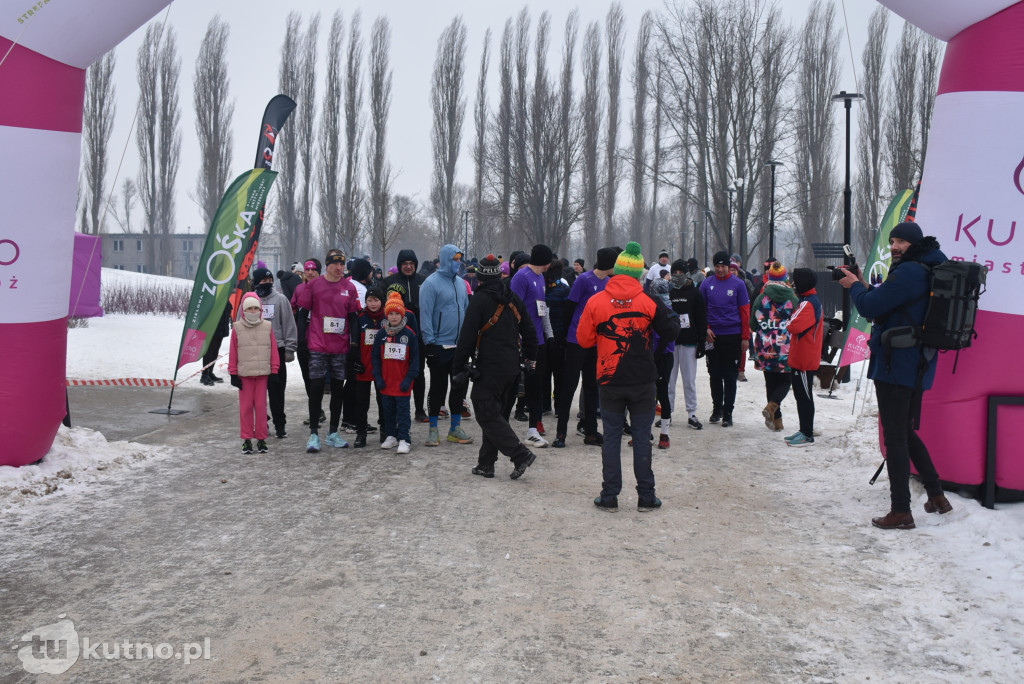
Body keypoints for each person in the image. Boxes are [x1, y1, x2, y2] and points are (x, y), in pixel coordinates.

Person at [838, 222, 953, 529]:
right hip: (916, 364)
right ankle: (937, 495)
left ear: (914, 244)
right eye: (892, 241)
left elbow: (870, 307)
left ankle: (901, 511)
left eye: (901, 241)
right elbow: (891, 304)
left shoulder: (910, 272)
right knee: (904, 432)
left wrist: (855, 287)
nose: (894, 246)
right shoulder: (926, 268)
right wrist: (863, 282)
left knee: (895, 439)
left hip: (897, 365)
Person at [577, 242, 679, 513]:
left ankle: (610, 496)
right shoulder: (649, 301)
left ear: (616, 270)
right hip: (642, 379)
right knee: (642, 435)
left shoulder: (596, 301)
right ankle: (646, 496)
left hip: (610, 379)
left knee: (611, 436)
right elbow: (670, 331)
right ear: (638, 274)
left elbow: (584, 340)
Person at [453, 254, 540, 480]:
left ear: (480, 277)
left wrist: (458, 367)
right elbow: (530, 331)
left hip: (489, 368)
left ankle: (520, 455)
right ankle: (486, 464)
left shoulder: (479, 301)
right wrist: (531, 359)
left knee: (486, 413)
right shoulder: (512, 299)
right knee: (496, 415)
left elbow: (467, 338)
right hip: (513, 367)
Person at [291, 251, 361, 453]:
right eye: (336, 265)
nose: (340, 268)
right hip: (318, 346)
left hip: (340, 347)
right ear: (328, 265)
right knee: (316, 388)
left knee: (338, 390)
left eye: (343, 265)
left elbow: (354, 318)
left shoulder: (349, 287)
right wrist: (302, 341)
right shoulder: (314, 285)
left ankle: (333, 433)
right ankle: (314, 434)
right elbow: (303, 312)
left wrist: (354, 344)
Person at [553, 247, 617, 447]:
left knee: (591, 387)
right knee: (569, 386)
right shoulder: (583, 280)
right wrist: (564, 337)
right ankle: (561, 433)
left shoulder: (609, 283)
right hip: (576, 341)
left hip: (596, 343)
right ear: (611, 264)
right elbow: (569, 308)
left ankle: (591, 432)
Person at [419, 243, 472, 446]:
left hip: (459, 346)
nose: (458, 263)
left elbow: (466, 312)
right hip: (439, 345)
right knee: (438, 388)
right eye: (454, 259)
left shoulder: (461, 283)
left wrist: (467, 340)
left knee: (459, 387)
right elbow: (425, 315)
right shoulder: (430, 284)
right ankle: (433, 429)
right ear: (444, 259)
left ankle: (455, 428)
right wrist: (429, 343)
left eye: (460, 259)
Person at [511, 244, 555, 446]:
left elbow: (542, 308)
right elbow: (513, 309)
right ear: (545, 261)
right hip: (522, 341)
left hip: (538, 341)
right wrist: (517, 337)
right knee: (515, 387)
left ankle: (532, 430)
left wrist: (549, 334)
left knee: (537, 387)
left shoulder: (541, 278)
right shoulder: (521, 277)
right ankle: (502, 428)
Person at [700, 250, 751, 427]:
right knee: (714, 375)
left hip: (732, 335)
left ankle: (728, 412)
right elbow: (701, 310)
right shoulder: (706, 284)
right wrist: (706, 329)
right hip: (712, 337)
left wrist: (745, 337)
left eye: (723, 266)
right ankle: (717, 409)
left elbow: (745, 312)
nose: (720, 269)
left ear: (729, 267)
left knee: (730, 376)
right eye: (717, 266)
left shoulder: (738, 285)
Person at [228, 293, 280, 455]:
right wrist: (233, 373)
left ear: (260, 309)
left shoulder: (267, 326)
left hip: (262, 374)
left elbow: (273, 350)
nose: (253, 311)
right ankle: (247, 439)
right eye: (249, 308)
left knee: (261, 406)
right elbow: (233, 352)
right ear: (244, 310)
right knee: (246, 408)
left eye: (255, 308)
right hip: (244, 375)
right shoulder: (237, 328)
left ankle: (262, 438)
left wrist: (275, 369)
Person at [749, 261, 798, 433]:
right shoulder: (792, 298)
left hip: (765, 347)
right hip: (785, 347)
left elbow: (753, 324)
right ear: (785, 279)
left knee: (770, 382)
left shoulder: (762, 298)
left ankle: (777, 420)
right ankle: (773, 407)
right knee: (785, 381)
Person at [382, 249, 429, 422]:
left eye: (411, 264)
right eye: (404, 264)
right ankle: (395, 410)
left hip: (418, 335)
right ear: (399, 265)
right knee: (395, 372)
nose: (408, 267)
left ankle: (419, 409)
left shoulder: (423, 281)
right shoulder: (389, 282)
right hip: (394, 334)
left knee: (418, 371)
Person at [252, 267, 298, 439]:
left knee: (277, 390)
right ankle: (262, 422)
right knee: (258, 391)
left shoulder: (280, 299)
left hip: (276, 350)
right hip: (255, 351)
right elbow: (240, 325)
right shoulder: (250, 300)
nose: (266, 284)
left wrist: (290, 348)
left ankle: (280, 424)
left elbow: (289, 324)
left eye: (268, 281)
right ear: (255, 283)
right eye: (262, 281)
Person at [372, 292, 420, 455]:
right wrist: (378, 377)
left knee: (403, 412)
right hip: (386, 382)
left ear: (402, 314)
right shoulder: (381, 334)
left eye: (396, 314)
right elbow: (376, 358)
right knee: (388, 411)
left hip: (402, 383)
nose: (393, 317)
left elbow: (415, 360)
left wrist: (409, 379)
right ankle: (391, 435)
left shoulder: (409, 335)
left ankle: (404, 438)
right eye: (390, 313)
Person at [786, 268, 824, 447]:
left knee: (804, 396)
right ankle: (804, 430)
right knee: (801, 396)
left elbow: (793, 325)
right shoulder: (808, 301)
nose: (793, 284)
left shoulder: (808, 303)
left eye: (795, 280)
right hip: (802, 357)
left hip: (804, 358)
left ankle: (807, 433)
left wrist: (789, 320)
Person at [667, 259, 706, 430]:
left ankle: (692, 413)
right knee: (669, 381)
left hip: (689, 342)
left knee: (689, 380)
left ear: (686, 274)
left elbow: (701, 317)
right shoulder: (667, 291)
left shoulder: (694, 292)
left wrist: (702, 341)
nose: (677, 276)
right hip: (670, 342)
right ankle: (667, 413)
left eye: (681, 273)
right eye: (675, 273)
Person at [352, 287, 387, 448]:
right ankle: (361, 432)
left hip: (383, 367)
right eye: (370, 300)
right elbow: (354, 341)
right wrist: (355, 360)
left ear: (382, 301)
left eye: (376, 300)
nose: (373, 304)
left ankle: (385, 430)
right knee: (361, 402)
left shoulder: (388, 317)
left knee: (383, 400)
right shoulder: (360, 317)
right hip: (364, 367)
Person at [648, 277, 677, 449]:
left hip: (662, 356)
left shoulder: (668, 312)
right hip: (658, 356)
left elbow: (666, 338)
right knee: (652, 395)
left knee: (659, 394)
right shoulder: (657, 310)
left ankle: (663, 434)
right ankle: (649, 433)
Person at [200, 305, 231, 386]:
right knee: (209, 351)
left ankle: (210, 372)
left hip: (222, 327)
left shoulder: (225, 297)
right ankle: (205, 374)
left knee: (215, 350)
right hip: (212, 328)